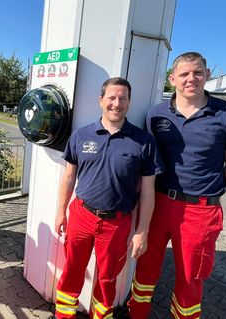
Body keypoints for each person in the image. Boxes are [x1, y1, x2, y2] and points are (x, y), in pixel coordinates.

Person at [128, 52, 226, 319]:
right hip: (159, 204)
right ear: (172, 79)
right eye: (184, 74)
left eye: (197, 72)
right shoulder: (156, 114)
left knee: (190, 278)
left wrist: (204, 191)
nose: (191, 79)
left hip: (200, 211)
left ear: (207, 75)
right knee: (146, 269)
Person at [53, 78, 164, 319]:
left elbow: (147, 191)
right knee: (72, 271)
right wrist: (61, 212)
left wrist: (141, 231)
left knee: (106, 279)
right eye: (111, 97)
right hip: (81, 216)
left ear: (129, 103)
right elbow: (69, 176)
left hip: (117, 223)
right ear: (101, 101)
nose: (117, 103)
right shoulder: (81, 135)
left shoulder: (144, 142)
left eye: (123, 98)